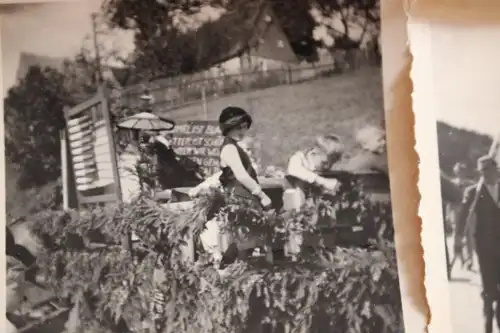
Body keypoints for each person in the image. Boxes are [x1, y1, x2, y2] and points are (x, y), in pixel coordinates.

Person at [216, 106, 273, 268]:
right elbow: (241, 175)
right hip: (240, 198)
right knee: (246, 243)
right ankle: (231, 275)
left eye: (244, 127)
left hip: (243, 197)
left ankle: (228, 272)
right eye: (237, 127)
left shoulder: (233, 146)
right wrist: (261, 195)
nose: (242, 131)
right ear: (228, 127)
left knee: (245, 242)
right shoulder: (229, 148)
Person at [454, 156, 500, 333]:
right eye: (482, 172)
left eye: (488, 170)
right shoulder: (473, 192)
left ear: (496, 169)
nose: (486, 175)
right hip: (484, 247)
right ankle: (487, 323)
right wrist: (458, 238)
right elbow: (462, 216)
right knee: (489, 287)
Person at [286, 134, 344, 201]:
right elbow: (293, 170)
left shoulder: (320, 168)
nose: (328, 167)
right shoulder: (299, 158)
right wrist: (323, 181)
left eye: (331, 164)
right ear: (314, 153)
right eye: (324, 163)